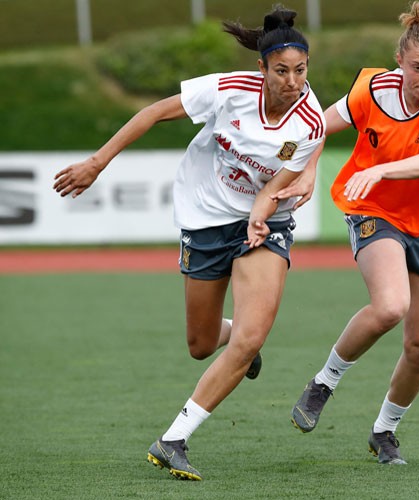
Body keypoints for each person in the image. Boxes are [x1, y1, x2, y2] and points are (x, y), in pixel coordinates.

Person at [53, 7, 325, 480]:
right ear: (261, 69)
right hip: (204, 218)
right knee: (201, 344)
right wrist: (98, 162)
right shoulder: (229, 90)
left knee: (249, 335)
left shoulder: (309, 122)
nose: (292, 81)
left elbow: (274, 184)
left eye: (300, 70)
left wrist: (262, 219)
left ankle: (174, 439)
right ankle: (241, 342)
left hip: (265, 225)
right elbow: (155, 113)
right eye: (281, 71)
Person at [280, 0, 419, 465]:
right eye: (417, 68)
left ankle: (384, 432)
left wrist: (383, 169)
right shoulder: (372, 88)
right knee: (391, 305)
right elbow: (315, 126)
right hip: (374, 209)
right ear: (400, 63)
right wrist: (296, 168)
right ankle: (324, 383)